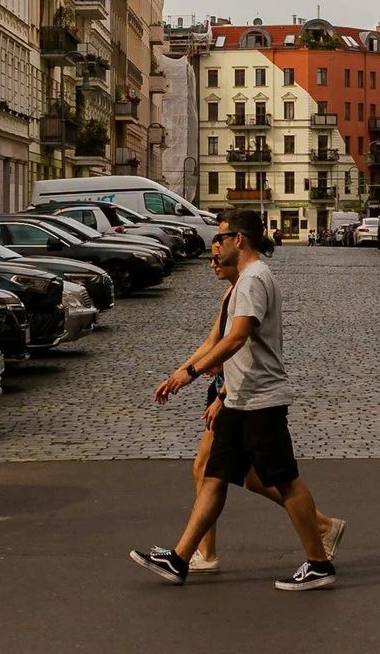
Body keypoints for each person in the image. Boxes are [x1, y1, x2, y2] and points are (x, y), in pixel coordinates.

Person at [133, 208, 341, 592]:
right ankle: (181, 559)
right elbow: (217, 341)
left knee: (286, 482)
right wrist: (180, 373)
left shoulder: (253, 279)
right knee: (213, 475)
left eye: (221, 237)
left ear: (239, 239)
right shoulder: (241, 282)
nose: (216, 245)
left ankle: (319, 560)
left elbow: (237, 338)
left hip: (261, 398)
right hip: (239, 399)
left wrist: (190, 375)